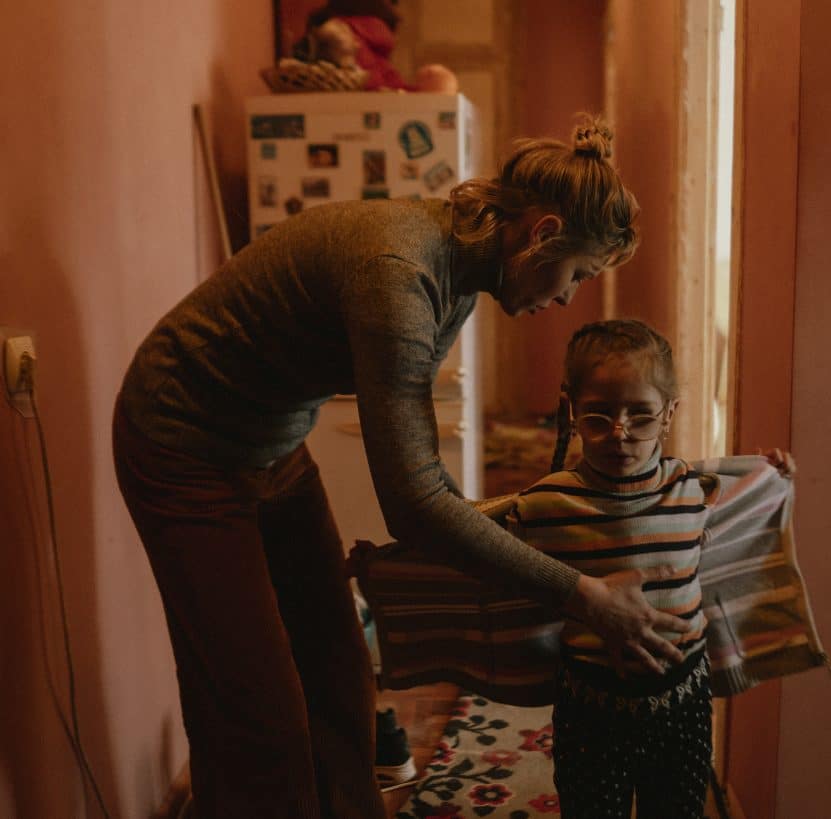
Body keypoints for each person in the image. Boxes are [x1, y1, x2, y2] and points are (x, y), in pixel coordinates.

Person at [111, 115, 696, 819]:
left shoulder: (461, 266)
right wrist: (584, 596)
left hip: (271, 439)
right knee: (259, 712)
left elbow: (426, 488)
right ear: (541, 234)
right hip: (183, 442)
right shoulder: (401, 276)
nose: (569, 298)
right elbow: (415, 504)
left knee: (339, 673)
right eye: (577, 273)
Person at [507, 319, 713, 819]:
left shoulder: (692, 488)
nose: (620, 434)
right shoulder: (543, 505)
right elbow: (471, 553)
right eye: (598, 416)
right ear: (571, 410)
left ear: (668, 415)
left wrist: (777, 474)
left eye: (639, 415)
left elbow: (750, 498)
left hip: (684, 700)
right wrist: (386, 565)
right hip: (590, 707)